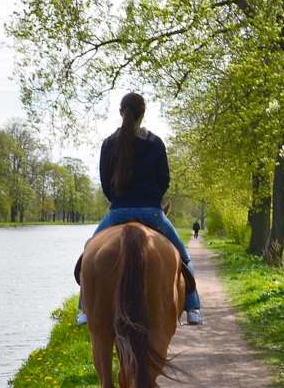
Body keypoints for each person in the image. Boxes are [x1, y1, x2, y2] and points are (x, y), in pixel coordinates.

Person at [76, 92, 202, 326]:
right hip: (152, 212)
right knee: (185, 258)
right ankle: (193, 308)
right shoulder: (155, 143)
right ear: (142, 114)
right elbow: (164, 179)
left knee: (87, 257)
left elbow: (105, 182)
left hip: (117, 212)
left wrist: (118, 201)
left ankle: (84, 309)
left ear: (121, 112)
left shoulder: (108, 143)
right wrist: (153, 200)